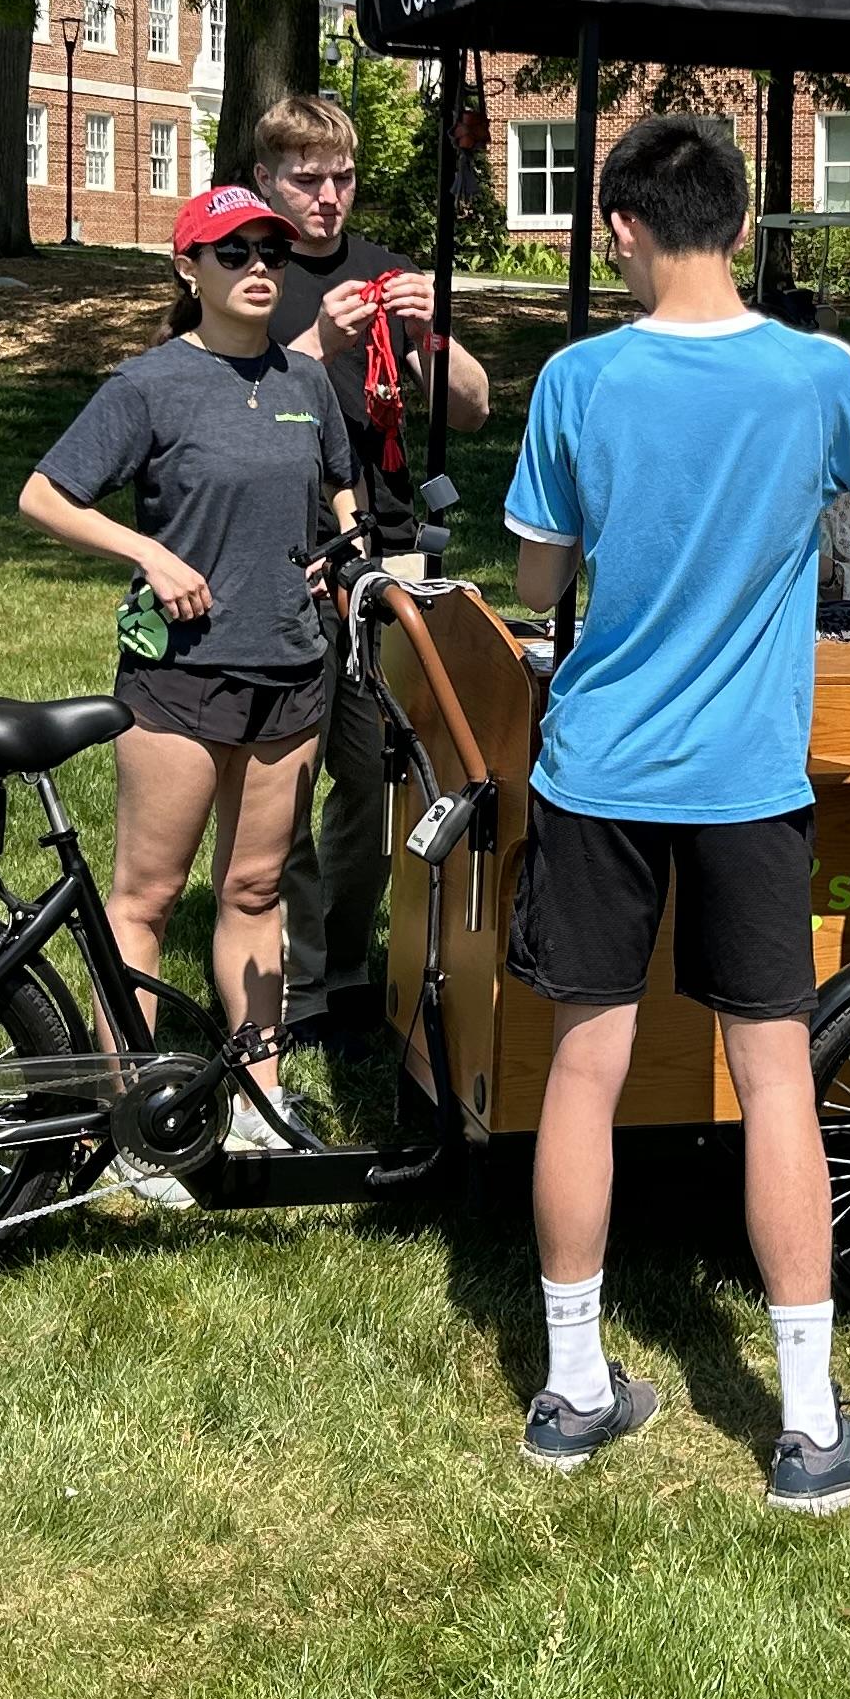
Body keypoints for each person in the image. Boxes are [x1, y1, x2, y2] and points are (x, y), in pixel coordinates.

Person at [501, 115, 850, 1508]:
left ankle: (573, 1390)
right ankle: (809, 1426)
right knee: (779, 1079)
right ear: (741, 227)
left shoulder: (577, 378)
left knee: (584, 1065)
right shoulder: (816, 374)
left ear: (621, 226)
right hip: (748, 781)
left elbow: (532, 587)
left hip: (598, 768)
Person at [19, 187, 357, 1155]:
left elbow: (338, 486)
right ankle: (125, 1119)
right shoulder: (151, 384)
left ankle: (258, 1102)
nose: (259, 266)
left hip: (290, 673)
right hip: (179, 680)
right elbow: (44, 495)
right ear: (188, 268)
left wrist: (342, 548)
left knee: (254, 892)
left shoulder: (303, 383)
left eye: (272, 253)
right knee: (147, 898)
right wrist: (151, 556)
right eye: (233, 251)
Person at [247, 91, 492, 1031]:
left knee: (369, 772)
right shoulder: (253, 274)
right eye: (307, 179)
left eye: (341, 178)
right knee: (286, 774)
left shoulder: (387, 271)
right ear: (267, 180)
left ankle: (345, 966)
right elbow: (236, 404)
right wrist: (318, 345)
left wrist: (435, 335)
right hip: (288, 553)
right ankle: (301, 975)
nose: (327, 197)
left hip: (390, 554)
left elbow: (468, 409)